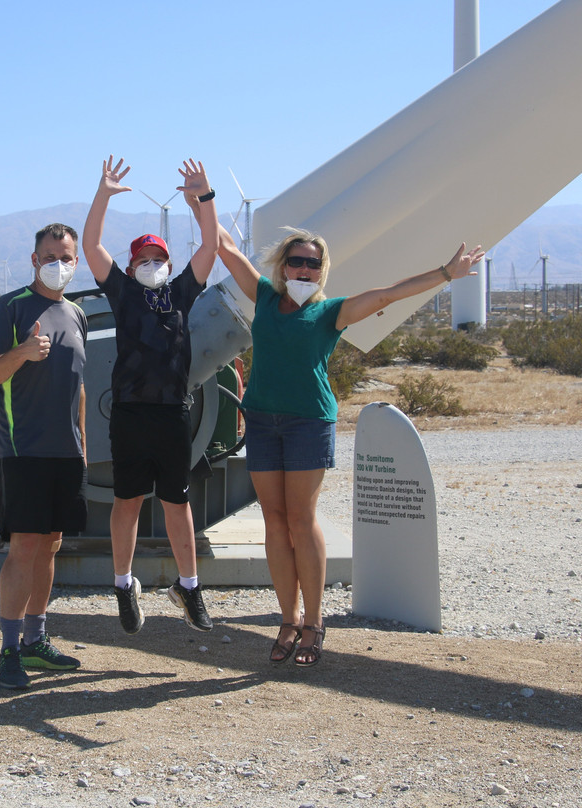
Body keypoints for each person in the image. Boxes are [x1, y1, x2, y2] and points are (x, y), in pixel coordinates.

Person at [187, 193, 483, 665]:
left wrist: (447, 274)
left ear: (321, 271)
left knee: (301, 519)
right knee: (275, 521)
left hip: (308, 423)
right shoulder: (264, 295)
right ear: (283, 266)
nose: (304, 271)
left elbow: (388, 294)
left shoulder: (330, 312)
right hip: (263, 419)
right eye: (297, 262)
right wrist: (202, 200)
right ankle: (287, 618)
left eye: (313, 264)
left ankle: (314, 622)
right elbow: (224, 246)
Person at [82, 156, 219, 634]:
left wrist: (203, 198)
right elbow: (90, 244)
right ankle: (123, 585)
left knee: (177, 505)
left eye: (159, 259)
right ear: (131, 265)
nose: (153, 266)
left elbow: (211, 244)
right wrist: (103, 194)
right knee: (128, 501)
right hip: (129, 415)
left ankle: (189, 586)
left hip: (172, 416)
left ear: (170, 264)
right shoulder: (123, 294)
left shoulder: (181, 293)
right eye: (144, 259)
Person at [0, 222, 89, 690]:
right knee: (24, 546)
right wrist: (21, 352)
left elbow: (80, 387)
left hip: (66, 452)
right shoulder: (10, 308)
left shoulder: (77, 314)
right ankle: (8, 649)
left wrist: (85, 449)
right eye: (51, 255)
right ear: (35, 259)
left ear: (76, 262)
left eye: (68, 257)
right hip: (22, 451)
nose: (60, 263)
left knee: (52, 542)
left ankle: (37, 639)